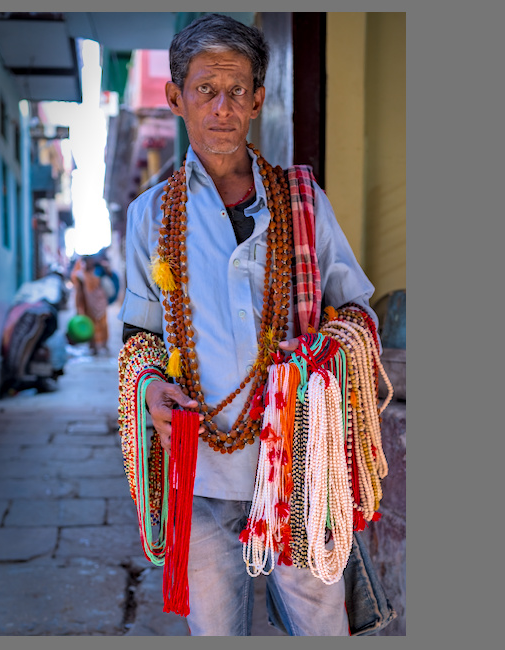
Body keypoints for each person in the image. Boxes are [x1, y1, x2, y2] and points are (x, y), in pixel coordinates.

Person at [118, 14, 379, 636]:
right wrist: (151, 388)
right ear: (175, 96)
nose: (221, 108)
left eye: (237, 91)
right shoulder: (150, 215)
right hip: (200, 469)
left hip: (298, 466)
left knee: (322, 628)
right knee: (216, 631)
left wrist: (323, 349)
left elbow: (358, 314)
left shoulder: (304, 203)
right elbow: (140, 338)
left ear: (259, 100)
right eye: (205, 90)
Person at [71, 254, 110, 355]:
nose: (90, 264)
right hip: (88, 304)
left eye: (91, 262)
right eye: (87, 262)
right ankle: (94, 346)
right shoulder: (80, 275)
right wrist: (78, 306)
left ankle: (103, 345)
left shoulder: (99, 271)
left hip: (99, 302)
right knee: (91, 325)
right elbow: (79, 292)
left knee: (102, 324)